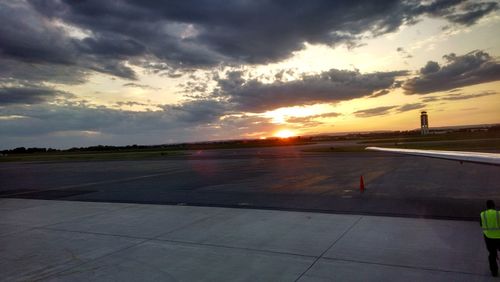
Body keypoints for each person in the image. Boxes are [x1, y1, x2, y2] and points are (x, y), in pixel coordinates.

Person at [480, 200, 500, 277]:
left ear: (487, 207)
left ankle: (494, 272)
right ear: (494, 206)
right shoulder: (498, 214)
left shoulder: (482, 214)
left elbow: (481, 225)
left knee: (492, 255)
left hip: (489, 238)